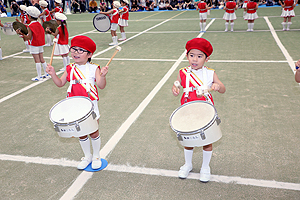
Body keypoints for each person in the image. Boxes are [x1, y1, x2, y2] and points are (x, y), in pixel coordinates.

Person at [46, 35, 109, 170]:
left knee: (93, 131)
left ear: (89, 54)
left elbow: (101, 85)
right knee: (81, 133)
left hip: (90, 105)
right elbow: (60, 83)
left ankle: (96, 155)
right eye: (73, 49)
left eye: (81, 50)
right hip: (73, 105)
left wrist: (103, 76)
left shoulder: (94, 68)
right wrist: (52, 74)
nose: (75, 53)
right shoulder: (69, 68)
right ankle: (87, 156)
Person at [172, 38, 226, 182]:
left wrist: (217, 86)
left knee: (207, 141)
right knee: (188, 141)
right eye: (191, 55)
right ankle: (188, 164)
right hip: (187, 111)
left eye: (199, 56)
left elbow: (223, 88)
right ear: (187, 56)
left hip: (204, 113)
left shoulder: (210, 73)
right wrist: (175, 88)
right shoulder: (183, 72)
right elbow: (177, 83)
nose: (194, 59)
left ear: (207, 58)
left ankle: (205, 167)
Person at [16, 6, 49, 81]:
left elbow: (29, 37)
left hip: (34, 44)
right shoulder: (39, 24)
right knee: (42, 59)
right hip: (40, 44)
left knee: (37, 60)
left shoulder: (30, 26)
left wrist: (22, 35)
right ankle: (46, 74)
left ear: (29, 16)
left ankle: (39, 76)